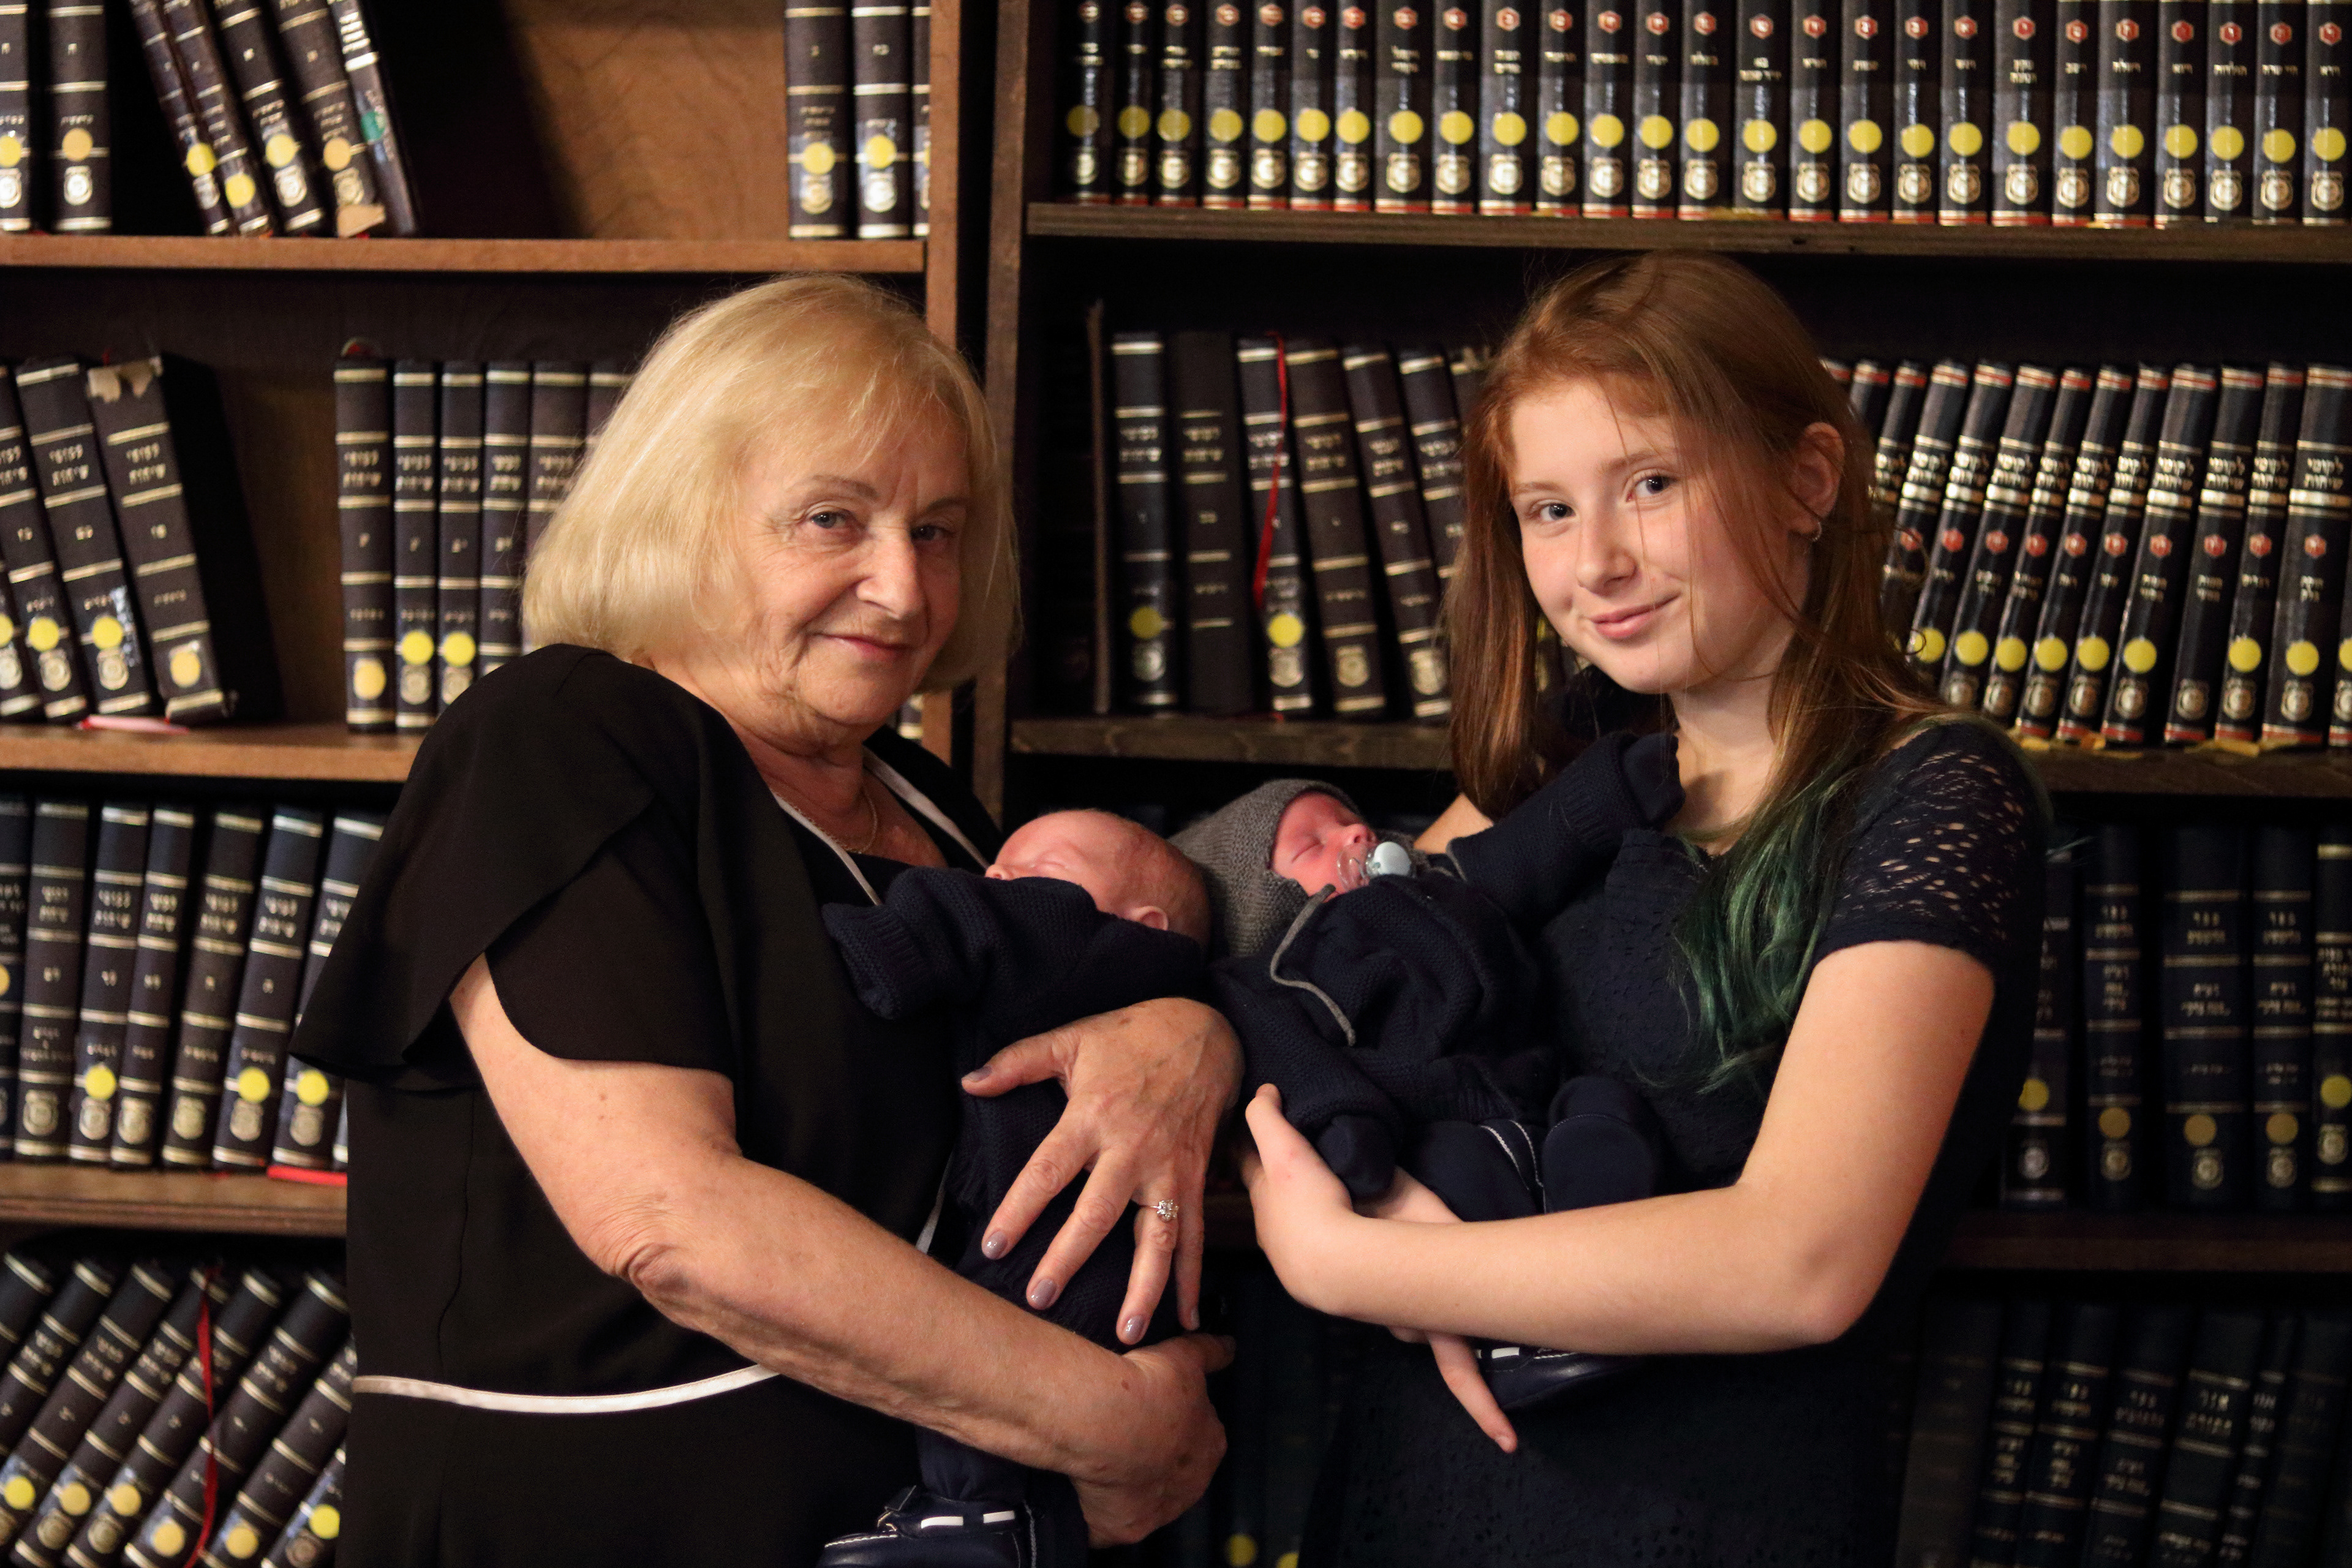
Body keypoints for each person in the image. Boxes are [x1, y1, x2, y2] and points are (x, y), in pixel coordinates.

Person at [287, 275, 1237, 1567]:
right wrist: (1108, 1425)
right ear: (682, 520)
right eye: (832, 519)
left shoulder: (935, 808)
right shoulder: (563, 735)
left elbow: (1081, 1023)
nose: (903, 589)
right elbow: (669, 1222)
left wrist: (1190, 1034)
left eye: (938, 531)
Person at [1238, 251, 2046, 1566]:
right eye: (1549, 510)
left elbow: (1799, 1261)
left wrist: (1346, 1259)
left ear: (1808, 480)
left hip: (1699, 1523)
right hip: (1409, 1500)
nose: (1597, 563)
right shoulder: (1578, 754)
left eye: (1652, 484)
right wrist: (1248, 1112)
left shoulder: (1936, 796)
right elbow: (1320, 989)